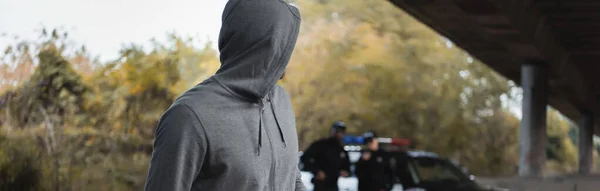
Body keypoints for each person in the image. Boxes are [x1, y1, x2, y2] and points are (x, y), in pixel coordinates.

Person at [144, 0, 304, 191]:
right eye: (283, 43)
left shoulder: (281, 101)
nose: (287, 55)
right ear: (264, 43)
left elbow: (292, 178)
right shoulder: (189, 115)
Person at [300, 121, 351, 191]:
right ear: (332, 131)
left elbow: (347, 166)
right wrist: (317, 171)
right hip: (320, 185)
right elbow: (305, 157)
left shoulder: (341, 150)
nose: (339, 134)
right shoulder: (321, 145)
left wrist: (345, 172)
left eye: (341, 132)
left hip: (333, 185)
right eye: (337, 131)